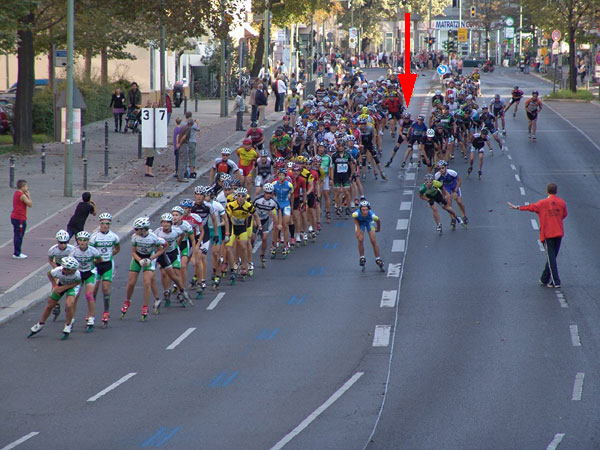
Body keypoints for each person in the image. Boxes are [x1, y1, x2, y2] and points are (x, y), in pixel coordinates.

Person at [507, 183, 567, 288]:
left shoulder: (542, 203)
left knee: (551, 257)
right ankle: (544, 279)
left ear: (547, 191)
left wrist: (517, 207)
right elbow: (564, 214)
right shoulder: (561, 202)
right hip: (559, 233)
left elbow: (530, 207)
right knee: (552, 256)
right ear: (556, 191)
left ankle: (555, 281)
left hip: (547, 234)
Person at [27, 257, 82, 340]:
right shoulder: (57, 271)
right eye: (73, 269)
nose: (75, 271)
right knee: (50, 305)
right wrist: (55, 285)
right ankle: (40, 324)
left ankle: (68, 325)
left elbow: (78, 282)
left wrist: (65, 288)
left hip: (72, 286)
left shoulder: (77, 274)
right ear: (67, 269)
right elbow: (49, 274)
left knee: (69, 304)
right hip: (60, 284)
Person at [90, 213, 120, 328]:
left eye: (107, 223)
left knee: (106, 288)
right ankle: (91, 314)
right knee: (93, 290)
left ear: (110, 224)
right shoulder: (94, 237)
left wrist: (109, 255)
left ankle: (106, 312)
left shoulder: (114, 237)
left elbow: (117, 248)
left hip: (108, 264)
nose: (105, 225)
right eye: (103, 223)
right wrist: (96, 259)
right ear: (100, 223)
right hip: (97, 265)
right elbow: (90, 252)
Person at [352, 200, 384, 271]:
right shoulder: (356, 214)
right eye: (363, 210)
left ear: (369, 209)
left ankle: (378, 258)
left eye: (366, 210)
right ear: (360, 210)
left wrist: (378, 228)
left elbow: (378, 220)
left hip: (370, 222)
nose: (365, 212)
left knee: (373, 240)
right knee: (360, 239)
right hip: (360, 223)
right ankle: (362, 257)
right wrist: (358, 228)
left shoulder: (372, 215)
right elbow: (354, 218)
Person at [11, 179, 32, 259]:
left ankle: (17, 251)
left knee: (17, 234)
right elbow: (30, 204)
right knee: (19, 235)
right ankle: (17, 253)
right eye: (26, 186)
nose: (27, 188)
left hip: (15, 216)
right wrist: (29, 195)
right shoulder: (22, 195)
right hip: (20, 218)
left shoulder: (16, 193)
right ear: (23, 187)